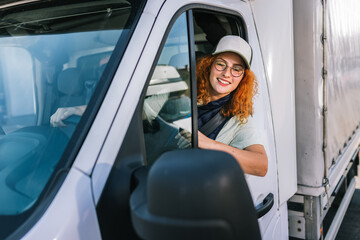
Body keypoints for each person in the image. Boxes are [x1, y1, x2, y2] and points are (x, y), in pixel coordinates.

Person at [196, 35, 268, 177]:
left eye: (236, 69)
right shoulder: (185, 96)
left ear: (243, 78)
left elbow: (262, 166)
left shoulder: (239, 120)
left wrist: (207, 143)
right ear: (209, 65)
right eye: (221, 64)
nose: (227, 74)